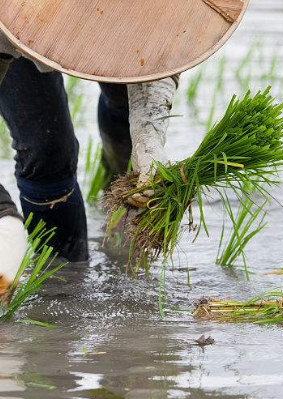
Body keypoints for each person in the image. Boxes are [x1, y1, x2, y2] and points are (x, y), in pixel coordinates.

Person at [0, 34, 178, 300]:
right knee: (47, 151)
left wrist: (149, 141)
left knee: (127, 104)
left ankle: (121, 196)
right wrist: (4, 218)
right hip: (11, 22)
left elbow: (168, 47)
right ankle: (62, 289)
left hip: (125, 24)